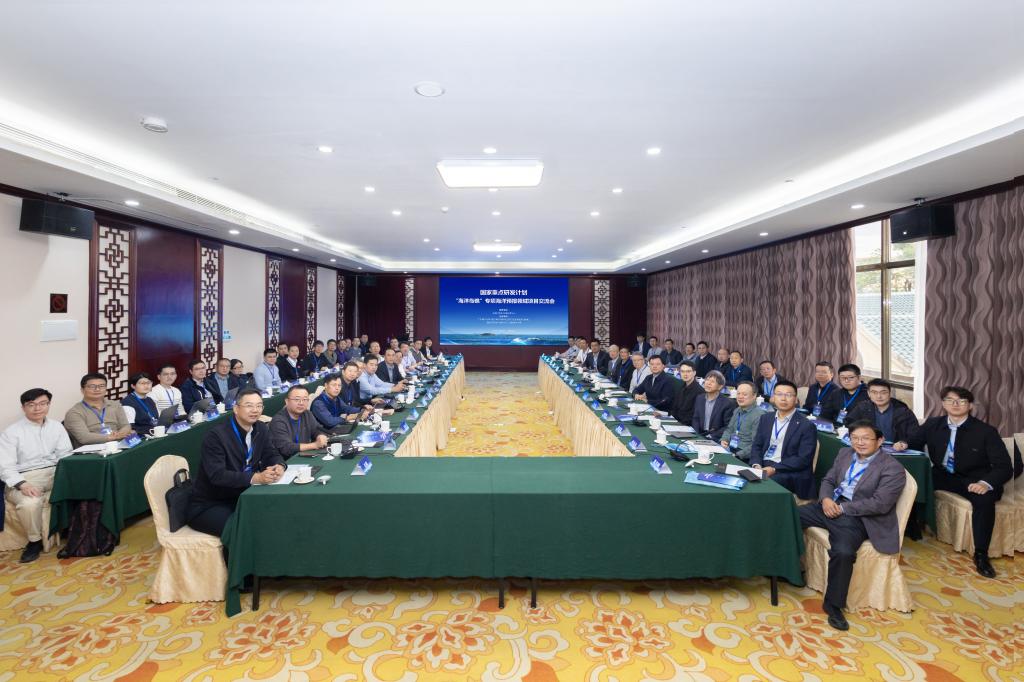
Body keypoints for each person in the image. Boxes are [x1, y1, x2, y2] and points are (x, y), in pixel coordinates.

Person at [799, 421, 908, 631]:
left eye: (866, 438)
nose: (860, 442)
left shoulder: (893, 468)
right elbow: (828, 480)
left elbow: (880, 503)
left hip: (857, 516)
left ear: (880, 441)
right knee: (788, 517)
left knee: (844, 552)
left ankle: (833, 606)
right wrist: (826, 499)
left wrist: (843, 509)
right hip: (829, 505)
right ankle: (789, 569)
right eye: (855, 438)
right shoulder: (845, 453)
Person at [921, 386, 1012, 578]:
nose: (955, 404)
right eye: (950, 400)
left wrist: (985, 483)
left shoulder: (986, 431)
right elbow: (913, 441)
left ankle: (981, 554)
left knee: (985, 501)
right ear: (943, 403)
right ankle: (912, 529)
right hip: (942, 474)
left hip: (973, 479)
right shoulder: (932, 424)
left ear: (970, 406)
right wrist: (902, 444)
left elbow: (1004, 466)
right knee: (910, 481)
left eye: (961, 401)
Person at [187, 388, 286, 538]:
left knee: (275, 513)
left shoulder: (260, 428)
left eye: (259, 406)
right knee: (244, 529)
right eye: (249, 405)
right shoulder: (216, 436)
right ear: (236, 409)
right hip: (210, 503)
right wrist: (256, 478)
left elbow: (271, 454)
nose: (255, 410)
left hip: (242, 495)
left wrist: (280, 465)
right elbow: (217, 475)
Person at [0, 388, 74, 562]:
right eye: (31, 405)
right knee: (30, 503)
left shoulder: (56, 427)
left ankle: (78, 530)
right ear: (23, 407)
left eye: (42, 403)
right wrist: (22, 484)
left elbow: (65, 455)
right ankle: (34, 541)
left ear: (49, 405)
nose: (37, 408)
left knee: (85, 485)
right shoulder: (12, 432)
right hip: (26, 477)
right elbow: (5, 466)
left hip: (55, 472)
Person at [749, 380, 817, 498]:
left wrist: (774, 468)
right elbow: (757, 445)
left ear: (796, 399)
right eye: (779, 394)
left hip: (788, 470)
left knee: (761, 486)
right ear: (773, 397)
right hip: (764, 464)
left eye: (788, 395)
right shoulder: (766, 418)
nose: (783, 399)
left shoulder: (806, 426)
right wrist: (756, 464)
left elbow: (803, 459)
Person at [845, 379, 922, 450]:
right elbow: (849, 422)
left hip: (896, 451)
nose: (879, 396)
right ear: (869, 394)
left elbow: (916, 435)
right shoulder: (863, 407)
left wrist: (904, 443)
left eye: (883, 392)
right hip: (870, 449)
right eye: (874, 392)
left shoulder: (903, 411)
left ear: (890, 393)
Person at [63, 373, 133, 448]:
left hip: (119, 445)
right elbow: (84, 438)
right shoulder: (74, 412)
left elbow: (125, 425)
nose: (97, 389)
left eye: (101, 386)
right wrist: (112, 437)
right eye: (92, 386)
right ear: (82, 390)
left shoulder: (115, 405)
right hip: (93, 450)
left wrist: (120, 434)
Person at [269, 385, 330, 458]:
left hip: (304, 456)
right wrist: (315, 445)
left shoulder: (307, 414)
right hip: (286, 461)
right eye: (297, 399)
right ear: (287, 401)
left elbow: (317, 429)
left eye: (305, 399)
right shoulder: (278, 421)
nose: (301, 403)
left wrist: (320, 435)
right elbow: (286, 448)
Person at [719, 381, 761, 461]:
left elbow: (756, 444)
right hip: (730, 448)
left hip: (743, 455)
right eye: (738, 393)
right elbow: (729, 429)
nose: (740, 397)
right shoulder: (737, 410)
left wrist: (738, 455)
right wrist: (724, 439)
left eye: (744, 394)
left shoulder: (759, 415)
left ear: (754, 396)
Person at [692, 370, 735, 441]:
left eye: (712, 381)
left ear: (720, 386)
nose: (708, 383)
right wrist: (696, 433)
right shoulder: (700, 398)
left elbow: (728, 426)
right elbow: (696, 418)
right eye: (707, 380)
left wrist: (712, 436)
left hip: (716, 438)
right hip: (699, 435)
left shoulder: (727, 403)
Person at [669, 361, 703, 425]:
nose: (685, 374)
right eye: (682, 371)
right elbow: (675, 408)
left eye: (688, 371)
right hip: (676, 422)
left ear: (694, 373)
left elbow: (694, 416)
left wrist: (678, 424)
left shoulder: (700, 392)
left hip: (687, 425)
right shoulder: (681, 387)